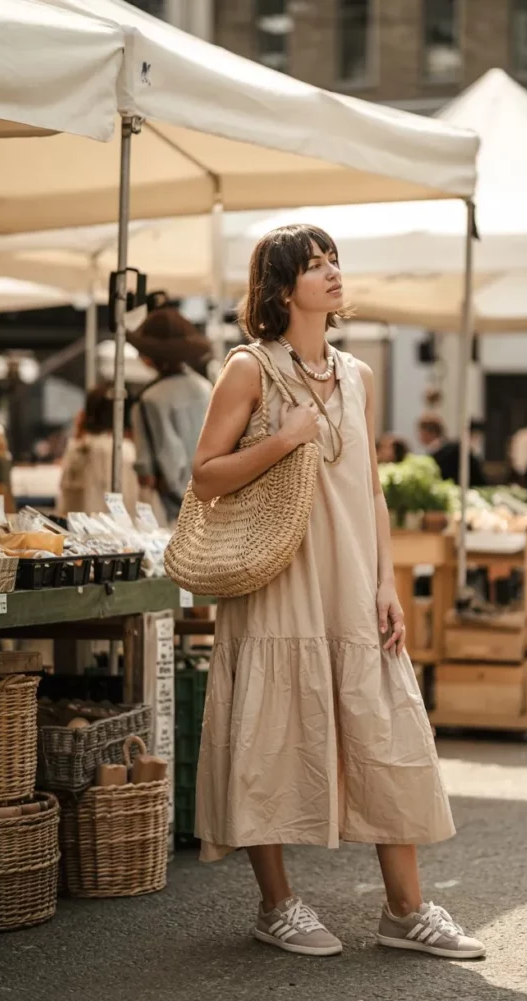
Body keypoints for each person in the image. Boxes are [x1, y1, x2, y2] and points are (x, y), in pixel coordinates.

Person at [191, 224, 484, 960]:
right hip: (275, 580)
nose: (331, 273)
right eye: (313, 265)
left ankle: (405, 910)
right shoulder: (249, 368)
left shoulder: (358, 375)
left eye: (334, 261)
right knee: (265, 735)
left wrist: (386, 581)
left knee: (383, 731)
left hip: (353, 581)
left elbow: (370, 490)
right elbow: (205, 476)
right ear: (280, 288)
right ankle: (277, 905)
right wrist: (283, 439)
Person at [128, 305, 213, 523]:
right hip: (212, 494)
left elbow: (149, 469)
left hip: (174, 504)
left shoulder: (150, 399)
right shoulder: (205, 387)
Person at [57, 386, 138, 516]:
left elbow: (66, 500)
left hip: (79, 525)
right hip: (114, 525)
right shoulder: (126, 451)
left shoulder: (77, 447)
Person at [417, 414, 486, 486]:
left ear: (431, 432)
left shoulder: (452, 449)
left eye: (421, 432)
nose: (419, 436)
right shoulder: (447, 449)